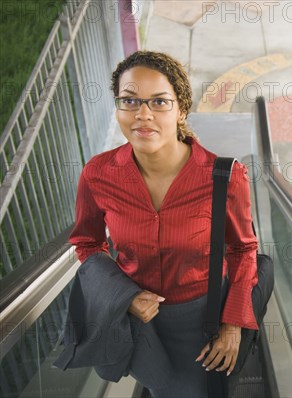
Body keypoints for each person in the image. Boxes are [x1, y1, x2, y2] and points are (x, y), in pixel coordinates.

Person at [68, 51, 259, 397]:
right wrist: (123, 297)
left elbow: (243, 248)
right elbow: (87, 244)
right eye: (130, 101)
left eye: (159, 102)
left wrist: (232, 326)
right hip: (136, 320)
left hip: (200, 320)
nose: (143, 115)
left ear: (181, 109)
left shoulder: (225, 177)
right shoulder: (97, 174)